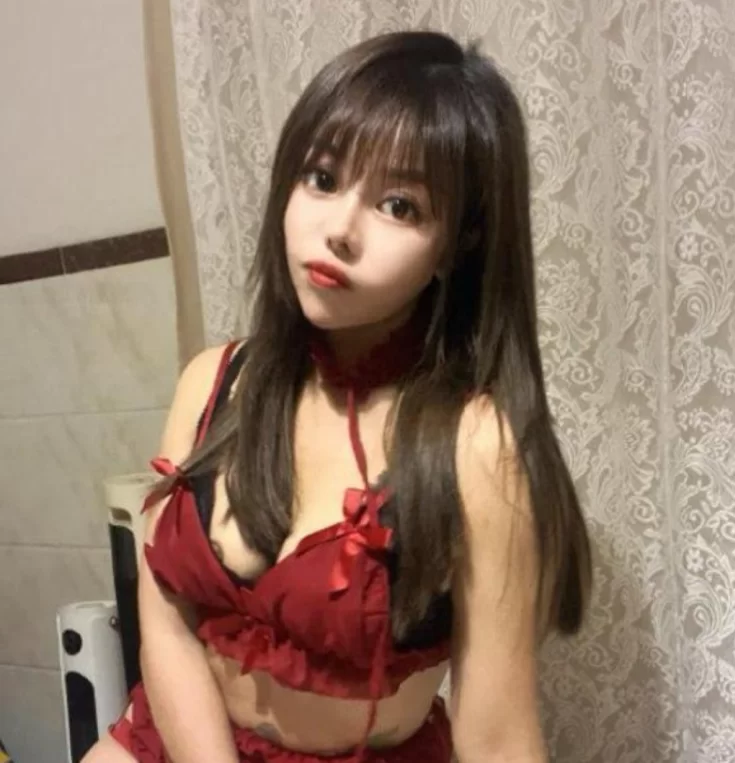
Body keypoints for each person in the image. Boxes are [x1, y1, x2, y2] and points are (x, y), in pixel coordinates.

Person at [85, 29, 592, 763]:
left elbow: (498, 738)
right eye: (322, 178)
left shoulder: (474, 444)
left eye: (399, 205)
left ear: (458, 244)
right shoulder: (214, 380)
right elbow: (166, 618)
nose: (339, 230)